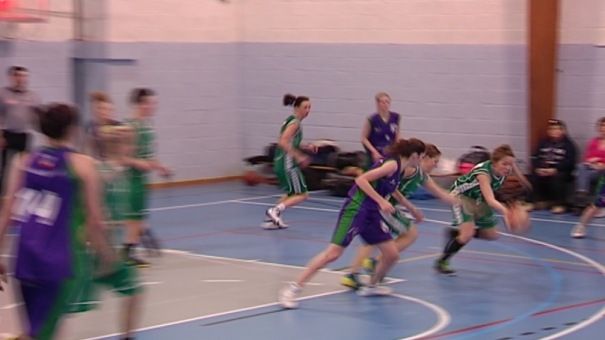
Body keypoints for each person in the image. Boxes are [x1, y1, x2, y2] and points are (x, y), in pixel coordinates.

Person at [0, 103, 117, 340]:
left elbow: (8, 213)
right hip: (58, 264)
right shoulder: (83, 165)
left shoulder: (24, 160)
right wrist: (107, 256)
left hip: (24, 260)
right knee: (40, 334)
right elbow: (96, 218)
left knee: (35, 331)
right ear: (73, 129)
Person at [278, 138, 426, 309]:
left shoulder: (400, 168)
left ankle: (372, 285)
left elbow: (391, 188)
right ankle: (292, 289)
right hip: (357, 208)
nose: (421, 161)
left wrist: (411, 208)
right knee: (332, 254)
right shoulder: (392, 165)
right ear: (414, 155)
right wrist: (381, 201)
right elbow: (361, 180)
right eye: (421, 157)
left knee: (391, 254)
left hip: (372, 212)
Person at [341, 143, 458, 289]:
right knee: (408, 233)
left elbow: (440, 193)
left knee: (375, 241)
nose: (435, 166)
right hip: (383, 206)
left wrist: (459, 200)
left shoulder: (421, 176)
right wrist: (408, 205)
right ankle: (374, 263)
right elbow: (391, 184)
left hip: (387, 207)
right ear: (424, 158)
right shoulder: (409, 169)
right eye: (435, 162)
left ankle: (358, 271)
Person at [434, 144, 531, 276]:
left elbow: (513, 167)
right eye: (505, 164)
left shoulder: (505, 167)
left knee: (492, 234)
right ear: (494, 163)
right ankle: (442, 261)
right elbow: (490, 200)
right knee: (467, 234)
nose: (508, 168)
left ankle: (456, 233)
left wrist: (525, 183)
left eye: (510, 164)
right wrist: (506, 211)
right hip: (462, 196)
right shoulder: (484, 174)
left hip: (478, 197)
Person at [121, 88, 171, 268]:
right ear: (141, 104)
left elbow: (149, 156)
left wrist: (160, 166)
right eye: (151, 103)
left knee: (139, 218)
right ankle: (126, 253)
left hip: (142, 180)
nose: (154, 107)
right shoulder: (128, 128)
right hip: (129, 179)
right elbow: (121, 157)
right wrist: (137, 163)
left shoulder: (147, 126)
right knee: (133, 219)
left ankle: (130, 249)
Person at [263, 93, 317, 229]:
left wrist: (306, 146)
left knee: (291, 194)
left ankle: (272, 219)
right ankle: (275, 211)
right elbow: (282, 141)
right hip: (289, 165)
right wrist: (299, 156)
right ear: (297, 107)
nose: (308, 110)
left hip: (281, 163)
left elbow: (290, 141)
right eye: (305, 107)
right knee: (302, 194)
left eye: (309, 107)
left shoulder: (291, 121)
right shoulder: (295, 123)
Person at [0, 66, 41, 194]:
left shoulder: (31, 96)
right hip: (8, 134)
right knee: (6, 167)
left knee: (24, 165)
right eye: (18, 76)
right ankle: (3, 194)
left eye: (23, 76)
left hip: (24, 134)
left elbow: (37, 115)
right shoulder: (3, 94)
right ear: (12, 77)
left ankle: (22, 191)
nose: (21, 79)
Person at [526, 119, 577, 214]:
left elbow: (570, 161)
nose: (555, 131)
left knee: (558, 178)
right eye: (552, 129)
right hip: (543, 168)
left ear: (563, 131)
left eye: (557, 129)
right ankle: (531, 202)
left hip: (561, 170)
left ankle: (560, 204)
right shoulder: (543, 142)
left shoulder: (569, 145)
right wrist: (537, 168)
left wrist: (555, 169)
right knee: (533, 177)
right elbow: (535, 156)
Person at [361, 92, 400, 170]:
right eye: (383, 102)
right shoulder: (372, 119)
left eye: (387, 102)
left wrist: (397, 149)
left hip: (390, 152)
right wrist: (374, 152)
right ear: (378, 104)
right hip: (377, 152)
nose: (385, 104)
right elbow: (363, 138)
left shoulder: (395, 117)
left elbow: (397, 134)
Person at [84, 91, 120, 158]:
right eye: (101, 109)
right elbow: (88, 151)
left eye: (108, 110)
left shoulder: (117, 127)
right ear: (95, 111)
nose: (105, 112)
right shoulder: (90, 127)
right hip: (96, 163)